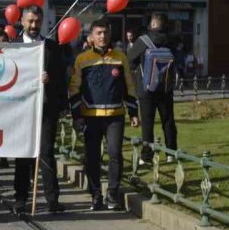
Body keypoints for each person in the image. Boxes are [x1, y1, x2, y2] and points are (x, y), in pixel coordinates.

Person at [69, 18, 139, 211]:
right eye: (98, 33)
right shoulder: (82, 59)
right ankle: (95, 196)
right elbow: (74, 89)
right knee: (92, 157)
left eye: (106, 33)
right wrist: (77, 116)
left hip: (115, 115)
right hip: (90, 116)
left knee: (115, 154)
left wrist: (133, 111)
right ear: (91, 37)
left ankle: (113, 195)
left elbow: (129, 85)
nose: (103, 36)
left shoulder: (120, 57)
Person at [13, 6, 67, 214]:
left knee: (46, 153)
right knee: (23, 155)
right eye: (30, 21)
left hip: (46, 108)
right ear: (22, 22)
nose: (34, 25)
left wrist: (54, 90)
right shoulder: (14, 47)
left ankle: (52, 199)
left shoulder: (51, 47)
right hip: (22, 110)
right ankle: (20, 199)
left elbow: (61, 78)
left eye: (37, 21)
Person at [126, 12, 178, 166]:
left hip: (146, 87)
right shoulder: (170, 40)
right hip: (165, 87)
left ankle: (146, 156)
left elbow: (130, 59)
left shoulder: (143, 40)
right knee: (168, 120)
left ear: (153, 24)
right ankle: (172, 153)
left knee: (147, 123)